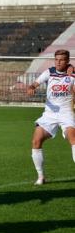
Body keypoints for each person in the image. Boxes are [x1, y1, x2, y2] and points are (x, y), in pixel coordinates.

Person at [27, 49, 75, 185]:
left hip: (67, 113)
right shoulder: (49, 72)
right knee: (36, 141)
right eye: (56, 59)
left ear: (67, 61)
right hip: (49, 114)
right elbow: (35, 83)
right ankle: (41, 177)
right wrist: (31, 87)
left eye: (62, 60)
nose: (58, 62)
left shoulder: (73, 74)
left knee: (73, 138)